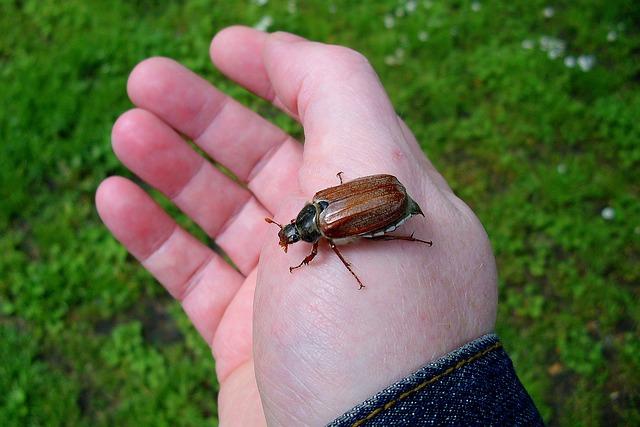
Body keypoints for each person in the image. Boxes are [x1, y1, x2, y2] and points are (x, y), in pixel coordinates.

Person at [96, 26, 542, 426]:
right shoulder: (320, 204)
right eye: (294, 233)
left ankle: (407, 231)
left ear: (304, 229)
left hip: (390, 205)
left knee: (375, 237)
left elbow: (330, 239)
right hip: (383, 193)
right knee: (369, 233)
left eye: (294, 234)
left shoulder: (325, 229)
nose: (295, 236)